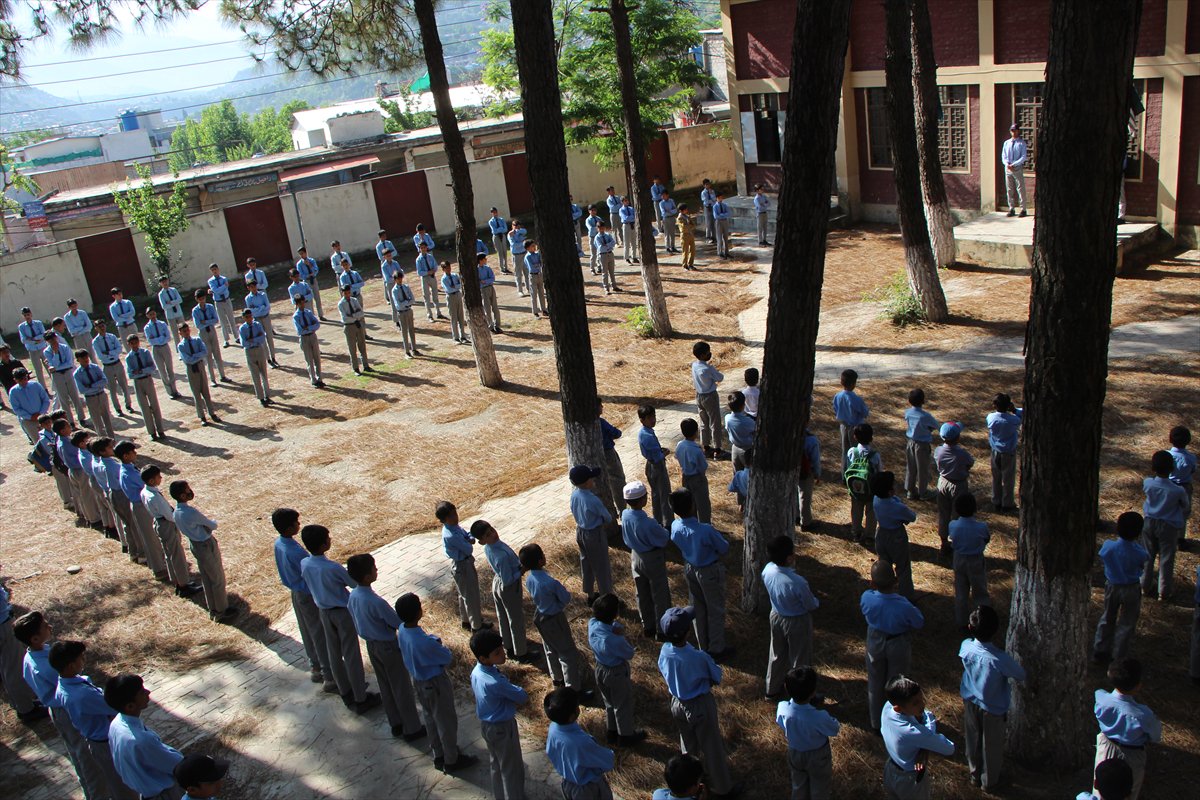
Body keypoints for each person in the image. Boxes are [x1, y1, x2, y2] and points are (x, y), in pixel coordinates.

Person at [14, 612, 102, 797]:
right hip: (66, 710)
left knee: (76, 753)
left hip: (56, 710)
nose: (50, 626)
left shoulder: (31, 657)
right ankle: (96, 794)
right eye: (45, 626)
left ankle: (90, 790)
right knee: (85, 756)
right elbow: (67, 683)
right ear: (35, 637)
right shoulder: (46, 665)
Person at [298, 524, 381, 713]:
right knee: (351, 653)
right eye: (328, 538)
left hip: (323, 611)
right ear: (322, 545)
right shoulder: (332, 568)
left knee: (333, 653)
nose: (330, 539)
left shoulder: (305, 563)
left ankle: (345, 690)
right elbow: (353, 583)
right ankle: (360, 696)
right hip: (341, 612)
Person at [657, 606, 737, 797]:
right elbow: (717, 676)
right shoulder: (698, 657)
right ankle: (723, 788)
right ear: (687, 632)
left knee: (687, 743)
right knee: (711, 746)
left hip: (677, 703)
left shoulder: (664, 651)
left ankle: (687, 780)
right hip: (699, 704)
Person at [394, 593, 478, 772]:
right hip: (435, 683)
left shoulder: (402, 629)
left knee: (430, 718)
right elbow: (446, 657)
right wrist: (438, 644)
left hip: (418, 680)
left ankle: (438, 753)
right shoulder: (424, 642)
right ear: (418, 612)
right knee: (445, 721)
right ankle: (452, 759)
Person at [345, 554, 425, 740]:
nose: (377, 570)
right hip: (388, 646)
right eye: (374, 568)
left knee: (385, 685)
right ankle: (412, 727)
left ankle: (395, 722)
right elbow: (397, 622)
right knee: (400, 686)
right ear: (367, 576)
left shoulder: (353, 596)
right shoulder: (376, 602)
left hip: (372, 646)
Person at [51, 640, 139, 800]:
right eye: (81, 658)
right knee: (123, 786)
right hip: (105, 743)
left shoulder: (65, 685)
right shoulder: (82, 695)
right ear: (71, 665)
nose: (84, 660)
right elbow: (112, 706)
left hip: (97, 741)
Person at [959, 605, 1025, 792]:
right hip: (993, 709)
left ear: (970, 628)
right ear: (996, 630)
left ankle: (974, 773)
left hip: (970, 702)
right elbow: (1020, 674)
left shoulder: (965, 646)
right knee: (992, 746)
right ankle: (989, 781)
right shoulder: (1000, 659)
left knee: (972, 739)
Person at [269, 507, 333, 689]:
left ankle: (315, 664)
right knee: (318, 631)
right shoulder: (295, 552)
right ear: (289, 528)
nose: (299, 525)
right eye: (297, 523)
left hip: (296, 593)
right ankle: (327, 672)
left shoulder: (280, 543)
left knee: (306, 629)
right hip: (306, 593)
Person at [670, 489, 733, 661]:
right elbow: (723, 547)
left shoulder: (675, 526)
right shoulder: (705, 530)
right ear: (692, 506)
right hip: (709, 570)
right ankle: (717, 648)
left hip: (690, 568)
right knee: (715, 608)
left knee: (698, 607)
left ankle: (703, 644)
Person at [861, 561, 924, 731]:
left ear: (872, 583)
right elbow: (919, 622)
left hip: (874, 639)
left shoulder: (866, 597)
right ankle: (897, 720)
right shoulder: (903, 605)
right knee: (897, 682)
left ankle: (876, 723)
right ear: (895, 581)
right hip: (897, 642)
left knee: (875, 681)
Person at [469, 628, 529, 800]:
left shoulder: (476, 672)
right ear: (483, 658)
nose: (503, 654)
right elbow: (522, 696)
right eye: (497, 653)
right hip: (503, 728)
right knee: (512, 768)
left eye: (501, 649)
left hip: (487, 726)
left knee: (497, 763)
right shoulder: (496, 682)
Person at [104, 673, 185, 800]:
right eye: (142, 692)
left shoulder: (116, 724)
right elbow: (176, 765)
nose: (148, 692)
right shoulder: (141, 740)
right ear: (130, 706)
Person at [521, 543, 588, 694]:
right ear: (540, 561)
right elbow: (565, 598)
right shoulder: (550, 583)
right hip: (554, 618)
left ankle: (557, 678)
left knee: (550, 647)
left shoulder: (530, 579)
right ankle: (573, 689)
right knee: (567, 652)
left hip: (540, 616)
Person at [1093, 658, 1160, 800]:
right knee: (1128, 789)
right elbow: (1155, 735)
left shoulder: (1100, 698)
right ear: (1138, 685)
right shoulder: (1143, 715)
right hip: (1132, 754)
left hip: (1105, 746)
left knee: (1103, 784)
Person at [762, 535, 819, 701]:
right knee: (800, 659)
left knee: (777, 654)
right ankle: (802, 694)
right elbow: (810, 604)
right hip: (796, 621)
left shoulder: (767, 570)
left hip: (776, 615)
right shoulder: (797, 582)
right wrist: (816, 601)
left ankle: (771, 690)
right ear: (789, 558)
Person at [880, 676, 955, 800]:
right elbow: (949, 748)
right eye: (915, 703)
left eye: (921, 698)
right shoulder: (912, 732)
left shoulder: (888, 707)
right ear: (898, 708)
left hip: (890, 769)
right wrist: (929, 725)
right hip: (910, 781)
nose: (923, 704)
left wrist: (923, 747)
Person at [171, 480, 236, 623]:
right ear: (182, 495)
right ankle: (221, 610)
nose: (190, 491)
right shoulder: (190, 512)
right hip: (205, 544)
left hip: (195, 545)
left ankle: (213, 607)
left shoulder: (176, 513)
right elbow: (211, 525)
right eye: (187, 490)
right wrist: (212, 523)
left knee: (207, 577)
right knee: (217, 577)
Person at [588, 593, 645, 746]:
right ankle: (626, 736)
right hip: (616, 673)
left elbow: (607, 627)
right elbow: (629, 653)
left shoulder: (592, 624)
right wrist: (620, 635)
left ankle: (611, 731)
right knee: (622, 704)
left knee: (609, 702)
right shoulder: (614, 640)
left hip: (600, 669)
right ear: (615, 614)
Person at [473, 519, 534, 664]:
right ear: (482, 541)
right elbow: (508, 580)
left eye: (492, 530)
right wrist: (521, 571)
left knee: (503, 617)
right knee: (515, 619)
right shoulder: (501, 556)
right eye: (488, 535)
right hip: (509, 587)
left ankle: (507, 644)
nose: (493, 534)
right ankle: (521, 652)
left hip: (498, 583)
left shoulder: (491, 547)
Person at [1094, 512, 1150, 664]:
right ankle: (1118, 654)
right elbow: (1143, 563)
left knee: (1107, 617)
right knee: (1127, 621)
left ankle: (1100, 648)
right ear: (1139, 532)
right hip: (1131, 588)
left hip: (1112, 586)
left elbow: (1102, 555)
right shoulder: (1140, 553)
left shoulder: (1109, 547)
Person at [776, 666, 839, 800]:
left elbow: (781, 723)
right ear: (813, 692)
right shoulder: (819, 716)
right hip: (818, 756)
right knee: (820, 786)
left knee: (798, 783)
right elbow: (834, 729)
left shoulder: (782, 708)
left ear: (786, 688)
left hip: (795, 752)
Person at [620, 481, 673, 637]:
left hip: (635, 556)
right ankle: (662, 628)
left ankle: (647, 625)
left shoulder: (625, 515)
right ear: (643, 500)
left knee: (641, 592)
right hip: (652, 557)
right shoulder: (648, 523)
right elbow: (663, 538)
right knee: (659, 593)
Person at [140, 465, 202, 598]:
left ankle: (178, 581)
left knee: (170, 554)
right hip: (166, 524)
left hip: (159, 522)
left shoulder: (146, 491)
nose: (161, 478)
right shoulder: (154, 497)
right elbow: (169, 515)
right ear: (151, 480)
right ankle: (183, 585)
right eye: (158, 477)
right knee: (177, 555)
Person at [544, 687, 616, 800]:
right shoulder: (581, 743)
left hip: (567, 784)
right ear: (572, 716)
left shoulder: (553, 728)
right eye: (577, 706)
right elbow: (608, 760)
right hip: (587, 790)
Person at [1141, 450, 1189, 600]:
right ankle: (1164, 591)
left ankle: (1144, 585)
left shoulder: (1148, 483)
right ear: (1172, 468)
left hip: (1149, 522)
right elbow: (1185, 506)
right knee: (1166, 558)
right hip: (1168, 525)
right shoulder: (1178, 490)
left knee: (1148, 555)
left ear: (1153, 468)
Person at [116, 441, 169, 576]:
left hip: (140, 504)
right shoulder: (129, 473)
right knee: (150, 537)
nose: (135, 453)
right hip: (140, 505)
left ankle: (159, 563)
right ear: (126, 455)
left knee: (151, 536)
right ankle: (158, 568)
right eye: (133, 452)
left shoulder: (128, 468)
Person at [436, 500, 489, 633]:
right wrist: (469, 541)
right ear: (444, 520)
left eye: (455, 513)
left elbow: (467, 535)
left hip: (464, 564)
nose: (456, 517)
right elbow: (468, 549)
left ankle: (466, 620)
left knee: (464, 594)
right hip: (462, 566)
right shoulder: (450, 535)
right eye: (452, 516)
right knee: (471, 596)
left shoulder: (454, 527)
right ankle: (477, 626)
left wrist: (468, 538)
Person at [569, 464, 614, 602]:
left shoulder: (574, 495)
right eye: (591, 478)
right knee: (601, 567)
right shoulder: (592, 499)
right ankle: (607, 597)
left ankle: (589, 593)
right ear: (587, 482)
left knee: (586, 562)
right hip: (594, 534)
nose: (593, 480)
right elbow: (607, 517)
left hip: (580, 532)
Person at [2, 584, 46, 724]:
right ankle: (26, 709)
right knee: (13, 668)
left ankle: (21, 704)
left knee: (6, 666)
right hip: (2, 624)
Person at [947, 493, 991, 629]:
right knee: (980, 591)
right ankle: (983, 621)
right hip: (975, 560)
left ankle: (961, 621)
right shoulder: (981, 527)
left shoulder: (953, 525)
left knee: (960, 592)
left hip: (959, 559)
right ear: (975, 509)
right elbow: (986, 538)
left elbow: (951, 539)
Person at [872, 472, 917, 598]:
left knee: (884, 568)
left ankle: (884, 594)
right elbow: (912, 517)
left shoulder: (876, 500)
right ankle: (906, 597)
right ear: (890, 491)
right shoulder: (896, 506)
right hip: (896, 536)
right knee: (903, 568)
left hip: (881, 534)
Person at [934, 422, 974, 553]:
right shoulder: (962, 454)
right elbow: (969, 463)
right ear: (958, 438)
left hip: (943, 482)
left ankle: (944, 542)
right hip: (959, 485)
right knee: (958, 514)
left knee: (943, 513)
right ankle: (956, 541)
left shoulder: (938, 450)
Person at [638, 405, 674, 528]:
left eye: (654, 416)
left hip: (651, 465)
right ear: (642, 420)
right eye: (650, 418)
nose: (653, 420)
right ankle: (668, 523)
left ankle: (658, 520)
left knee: (656, 494)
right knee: (664, 494)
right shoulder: (647, 436)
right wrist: (664, 453)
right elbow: (656, 456)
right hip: (656, 466)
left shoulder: (645, 432)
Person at [176, 324, 220, 425]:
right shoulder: (181, 346)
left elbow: (204, 352)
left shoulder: (197, 340)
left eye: (187, 330)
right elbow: (187, 359)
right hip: (191, 369)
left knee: (205, 391)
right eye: (184, 331)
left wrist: (194, 355)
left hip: (200, 366)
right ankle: (202, 416)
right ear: (180, 333)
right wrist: (197, 356)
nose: (186, 333)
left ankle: (212, 413)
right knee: (196, 393)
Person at [986, 393, 1023, 512]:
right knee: (1008, 479)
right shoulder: (1013, 420)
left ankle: (996, 501)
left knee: (996, 477)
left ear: (994, 405)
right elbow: (1021, 417)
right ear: (1008, 405)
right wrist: (1014, 410)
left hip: (995, 451)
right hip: (1008, 452)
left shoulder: (991, 417)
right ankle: (1007, 504)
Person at [846, 424, 882, 545]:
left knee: (856, 510)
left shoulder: (852, 452)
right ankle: (869, 535)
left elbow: (848, 467)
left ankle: (856, 532)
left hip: (855, 489)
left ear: (855, 437)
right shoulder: (875, 455)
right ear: (871, 438)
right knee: (871, 512)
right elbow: (879, 472)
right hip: (871, 489)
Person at [125, 335, 166, 439]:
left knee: (154, 405)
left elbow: (152, 367)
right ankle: (152, 432)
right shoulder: (129, 357)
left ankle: (160, 430)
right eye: (132, 343)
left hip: (147, 379)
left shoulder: (145, 353)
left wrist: (141, 371)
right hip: (138, 383)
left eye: (136, 342)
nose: (134, 345)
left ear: (139, 342)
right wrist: (140, 371)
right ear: (129, 345)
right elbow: (130, 374)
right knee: (144, 407)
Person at [691, 342, 726, 458]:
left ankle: (705, 446)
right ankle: (717, 449)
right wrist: (713, 368)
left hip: (699, 396)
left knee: (703, 422)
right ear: (702, 355)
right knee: (715, 422)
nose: (709, 354)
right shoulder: (707, 368)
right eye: (707, 353)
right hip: (710, 396)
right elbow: (720, 378)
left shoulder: (694, 365)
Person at [903, 388, 939, 501]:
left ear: (909, 401)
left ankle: (910, 490)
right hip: (922, 445)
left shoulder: (907, 413)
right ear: (923, 401)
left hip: (910, 443)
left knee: (911, 467)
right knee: (922, 469)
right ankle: (923, 492)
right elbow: (936, 426)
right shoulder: (925, 416)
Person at [43, 331, 86, 425]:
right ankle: (70, 421)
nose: (53, 342)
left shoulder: (65, 347)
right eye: (50, 341)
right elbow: (54, 364)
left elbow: (69, 363)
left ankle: (81, 418)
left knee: (75, 396)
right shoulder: (47, 351)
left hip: (68, 373)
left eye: (54, 339)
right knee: (63, 399)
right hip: (57, 376)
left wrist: (55, 368)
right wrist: (55, 353)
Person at [93, 319, 134, 415]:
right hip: (107, 366)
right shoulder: (96, 341)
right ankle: (118, 409)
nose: (102, 328)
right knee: (112, 389)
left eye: (103, 326)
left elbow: (119, 350)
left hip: (117, 363)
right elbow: (100, 356)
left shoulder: (112, 337)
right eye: (99, 327)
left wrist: (108, 353)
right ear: (96, 329)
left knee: (124, 385)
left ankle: (128, 405)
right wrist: (112, 353)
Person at [675, 418, 711, 523]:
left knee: (690, 504)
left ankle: (693, 523)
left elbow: (677, 456)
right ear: (696, 432)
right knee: (703, 505)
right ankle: (705, 526)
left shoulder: (680, 445)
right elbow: (703, 467)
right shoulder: (696, 450)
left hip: (685, 477)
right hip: (697, 479)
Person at [190, 290, 228, 384]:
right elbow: (198, 325)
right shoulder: (195, 310)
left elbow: (216, 320)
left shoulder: (210, 307)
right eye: (200, 299)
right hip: (203, 333)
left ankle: (222, 375)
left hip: (211, 331)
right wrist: (208, 321)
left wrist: (205, 322)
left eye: (203, 298)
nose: (202, 300)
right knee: (208, 356)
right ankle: (212, 379)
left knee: (217, 354)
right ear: (197, 299)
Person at [832, 369, 869, 466]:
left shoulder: (837, 396)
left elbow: (835, 409)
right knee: (856, 451)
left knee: (845, 451)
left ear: (841, 382)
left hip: (843, 426)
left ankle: (844, 474)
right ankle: (855, 471)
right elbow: (865, 412)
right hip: (855, 428)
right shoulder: (856, 399)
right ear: (854, 383)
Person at [237, 308, 272, 406]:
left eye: (250, 316)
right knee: (255, 375)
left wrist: (252, 340)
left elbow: (262, 338)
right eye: (247, 317)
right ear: (244, 318)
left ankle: (267, 395)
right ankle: (261, 397)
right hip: (250, 352)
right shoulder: (242, 328)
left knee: (264, 373)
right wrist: (255, 339)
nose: (249, 318)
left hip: (259, 349)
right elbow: (244, 342)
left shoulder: (257, 325)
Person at [9, 367, 51, 446]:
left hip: (43, 417)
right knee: (38, 443)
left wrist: (41, 413)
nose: (23, 381)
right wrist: (30, 417)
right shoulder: (13, 392)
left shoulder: (36, 385)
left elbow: (45, 400)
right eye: (20, 380)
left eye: (25, 378)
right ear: (15, 380)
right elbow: (16, 409)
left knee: (51, 438)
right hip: (28, 421)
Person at [1168, 425, 1195, 543]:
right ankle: (1180, 539)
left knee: (1168, 509)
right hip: (1185, 487)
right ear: (1188, 441)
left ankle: (1167, 534)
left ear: (1170, 439)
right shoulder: (1191, 458)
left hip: (1169, 485)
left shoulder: (1167, 455)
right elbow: (1193, 470)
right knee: (1183, 512)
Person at [243, 279, 279, 367]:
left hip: (266, 317)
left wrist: (258, 309)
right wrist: (261, 308)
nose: (254, 288)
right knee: (262, 339)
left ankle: (273, 357)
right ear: (248, 288)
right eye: (251, 287)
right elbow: (251, 312)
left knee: (270, 337)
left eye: (254, 286)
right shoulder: (248, 298)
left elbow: (267, 307)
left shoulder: (263, 294)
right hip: (257, 319)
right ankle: (268, 359)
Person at [290, 296, 324, 388]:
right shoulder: (296, 316)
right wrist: (310, 328)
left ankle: (319, 378)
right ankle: (313, 380)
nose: (302, 305)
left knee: (317, 357)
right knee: (309, 360)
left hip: (312, 336)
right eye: (300, 303)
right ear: (297, 304)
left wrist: (308, 328)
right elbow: (300, 331)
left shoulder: (308, 312)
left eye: (303, 302)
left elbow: (317, 324)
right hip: (304, 338)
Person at [598, 404, 626, 513]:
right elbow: (616, 433)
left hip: (597, 454)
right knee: (617, 480)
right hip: (608, 453)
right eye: (599, 405)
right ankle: (622, 508)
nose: (602, 406)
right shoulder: (601, 422)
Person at [338, 285, 372, 374]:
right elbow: (345, 318)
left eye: (348, 293)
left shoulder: (354, 300)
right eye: (345, 293)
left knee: (362, 346)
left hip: (358, 324)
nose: (347, 295)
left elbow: (361, 313)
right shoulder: (341, 304)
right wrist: (355, 316)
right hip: (349, 326)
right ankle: (355, 368)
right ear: (342, 293)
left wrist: (353, 316)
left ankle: (366, 365)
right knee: (352, 348)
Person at [390, 270, 420, 357]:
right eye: (398, 279)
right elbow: (399, 304)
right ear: (395, 280)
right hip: (401, 312)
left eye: (401, 278)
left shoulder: (406, 287)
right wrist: (408, 302)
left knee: (411, 330)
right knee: (404, 332)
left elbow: (413, 299)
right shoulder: (394, 290)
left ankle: (414, 349)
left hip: (409, 311)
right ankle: (407, 351)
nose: (400, 280)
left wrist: (407, 302)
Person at [206, 264, 238, 346]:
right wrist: (223, 286)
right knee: (223, 322)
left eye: (215, 269)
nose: (215, 271)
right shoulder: (211, 281)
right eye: (213, 270)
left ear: (218, 269)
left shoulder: (224, 278)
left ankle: (237, 337)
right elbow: (216, 291)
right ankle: (226, 340)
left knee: (231, 319)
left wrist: (217, 290)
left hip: (226, 300)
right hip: (218, 302)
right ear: (211, 271)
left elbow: (224, 291)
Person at [724, 391, 756, 473]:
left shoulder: (727, 418)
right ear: (743, 405)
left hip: (735, 448)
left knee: (737, 474)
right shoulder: (748, 421)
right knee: (748, 475)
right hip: (747, 450)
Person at [797, 428, 822, 531]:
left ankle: (795, 516)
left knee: (794, 493)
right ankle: (806, 522)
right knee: (804, 497)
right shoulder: (811, 440)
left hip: (789, 469)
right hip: (805, 472)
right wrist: (817, 473)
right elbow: (815, 460)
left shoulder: (786, 434)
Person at [1001, 123, 1028, 217]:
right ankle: (1011, 208)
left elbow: (1023, 157)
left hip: (1017, 168)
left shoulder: (1021, 143)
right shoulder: (1006, 143)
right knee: (1009, 189)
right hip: (1008, 169)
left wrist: (1014, 164)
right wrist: (1007, 164)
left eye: (1015, 130)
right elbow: (1003, 156)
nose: (1013, 132)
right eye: (1012, 130)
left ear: (1018, 131)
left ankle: (1023, 209)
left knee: (1020, 189)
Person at [439, 261, 467, 344]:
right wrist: (456, 286)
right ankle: (456, 337)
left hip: (458, 295)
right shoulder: (444, 279)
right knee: (454, 317)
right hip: (450, 296)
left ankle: (463, 336)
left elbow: (461, 285)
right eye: (447, 268)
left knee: (461, 316)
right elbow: (449, 289)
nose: (449, 269)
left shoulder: (455, 275)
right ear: (443, 269)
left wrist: (455, 286)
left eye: (449, 267)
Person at [413, 241, 442, 321]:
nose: (423, 249)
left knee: (435, 295)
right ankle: (429, 315)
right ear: (419, 249)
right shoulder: (418, 259)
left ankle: (438, 312)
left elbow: (435, 266)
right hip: (425, 278)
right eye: (421, 248)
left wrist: (433, 271)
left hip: (432, 276)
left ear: (426, 248)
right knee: (426, 297)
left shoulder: (430, 257)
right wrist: (427, 272)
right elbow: (419, 272)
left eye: (424, 247)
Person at [296, 246, 325, 319]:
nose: (301, 255)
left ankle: (320, 314)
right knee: (309, 298)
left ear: (306, 253)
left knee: (317, 297)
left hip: (313, 279)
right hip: (306, 281)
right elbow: (300, 275)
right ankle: (312, 316)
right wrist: (307, 275)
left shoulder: (311, 260)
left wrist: (309, 265)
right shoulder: (299, 264)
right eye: (300, 254)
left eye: (302, 253)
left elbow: (316, 269)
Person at [156, 276, 185, 348]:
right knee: (175, 334)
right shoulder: (161, 294)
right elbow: (164, 306)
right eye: (163, 282)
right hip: (170, 316)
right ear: (160, 284)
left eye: (166, 281)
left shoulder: (173, 290)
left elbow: (180, 300)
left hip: (178, 313)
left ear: (168, 281)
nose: (165, 283)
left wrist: (171, 302)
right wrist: (174, 302)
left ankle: (185, 346)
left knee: (183, 330)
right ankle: (179, 350)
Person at [477, 253, 503, 333]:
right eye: (484, 259)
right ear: (480, 260)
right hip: (483, 290)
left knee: (495, 307)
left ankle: (497, 325)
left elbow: (492, 278)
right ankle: (490, 326)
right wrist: (484, 282)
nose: (486, 260)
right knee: (487, 309)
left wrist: (485, 281)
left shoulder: (487, 268)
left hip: (490, 288)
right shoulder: (476, 270)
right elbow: (478, 281)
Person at [0, 343, 27, 411]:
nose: (7, 354)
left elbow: (25, 373)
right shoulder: (0, 368)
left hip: (25, 387)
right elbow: (5, 382)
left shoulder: (16, 362)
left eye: (7, 352)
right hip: (13, 391)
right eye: (4, 353)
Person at [594, 222, 618, 295]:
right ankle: (606, 288)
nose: (601, 229)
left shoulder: (608, 235)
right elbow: (600, 247)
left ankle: (614, 286)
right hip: (603, 255)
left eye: (602, 227)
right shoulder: (597, 237)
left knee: (612, 271)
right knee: (605, 272)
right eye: (600, 228)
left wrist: (606, 245)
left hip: (610, 254)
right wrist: (609, 245)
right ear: (597, 229)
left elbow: (613, 242)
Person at [526, 240, 548, 319]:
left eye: (534, 245)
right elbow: (532, 268)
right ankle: (535, 311)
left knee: (541, 293)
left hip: (539, 275)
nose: (534, 247)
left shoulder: (537, 254)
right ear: (528, 248)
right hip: (533, 276)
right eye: (532, 246)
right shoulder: (528, 256)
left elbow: (541, 263)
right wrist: (538, 265)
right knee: (534, 294)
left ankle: (544, 309)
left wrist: (538, 265)